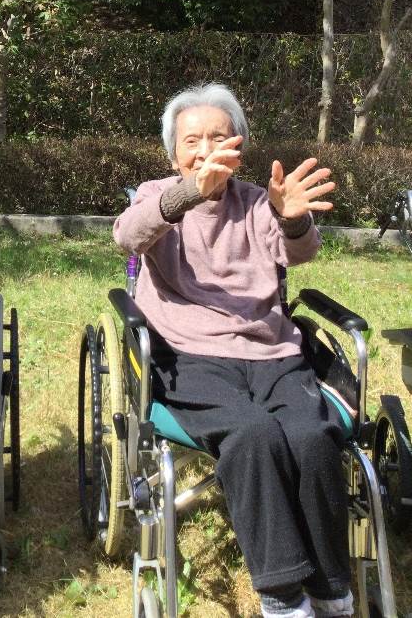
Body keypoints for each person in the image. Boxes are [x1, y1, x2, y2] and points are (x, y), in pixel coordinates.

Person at [113, 83, 352, 618]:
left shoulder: (256, 203)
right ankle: (284, 596)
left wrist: (291, 217)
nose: (204, 149)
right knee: (251, 432)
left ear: (238, 145)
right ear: (173, 152)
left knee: (313, 436)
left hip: (272, 352)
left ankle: (333, 589)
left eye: (218, 137)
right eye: (192, 140)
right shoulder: (159, 194)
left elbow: (301, 250)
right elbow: (128, 235)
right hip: (187, 354)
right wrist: (189, 192)